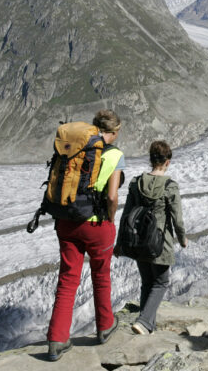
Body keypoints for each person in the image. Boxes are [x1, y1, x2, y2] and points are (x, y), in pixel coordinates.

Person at [46, 109, 125, 361]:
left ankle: (57, 339)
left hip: (67, 221)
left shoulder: (76, 148)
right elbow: (112, 196)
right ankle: (104, 327)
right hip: (97, 225)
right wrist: (111, 219)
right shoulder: (114, 155)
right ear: (114, 131)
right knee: (101, 275)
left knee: (68, 279)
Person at [118, 140, 187, 335]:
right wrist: (182, 238)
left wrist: (120, 244)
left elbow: (125, 215)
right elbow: (177, 218)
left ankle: (149, 327)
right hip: (160, 243)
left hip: (138, 241)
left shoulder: (136, 183)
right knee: (161, 282)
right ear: (168, 162)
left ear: (150, 159)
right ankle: (144, 321)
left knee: (147, 283)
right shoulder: (170, 186)